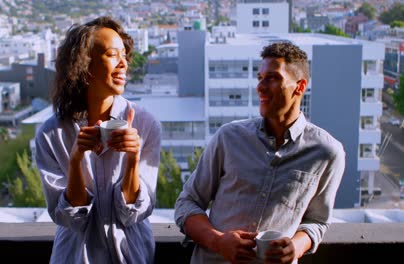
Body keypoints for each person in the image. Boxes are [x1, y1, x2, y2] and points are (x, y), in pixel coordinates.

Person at [174, 42, 345, 264]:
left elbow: (317, 221)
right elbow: (187, 202)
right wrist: (218, 241)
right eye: (260, 78)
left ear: (299, 87)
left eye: (273, 78)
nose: (261, 87)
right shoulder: (229, 137)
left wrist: (296, 247)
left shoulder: (327, 152)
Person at [35, 16, 161, 263]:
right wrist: (75, 161)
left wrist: (133, 159)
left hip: (130, 257)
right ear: (84, 64)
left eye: (124, 55)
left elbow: (135, 214)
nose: (123, 63)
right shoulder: (52, 134)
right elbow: (70, 219)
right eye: (112, 55)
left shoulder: (145, 124)